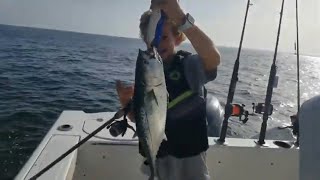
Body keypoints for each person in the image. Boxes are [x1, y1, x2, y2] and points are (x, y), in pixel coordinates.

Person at [116, 0, 220, 179]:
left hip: (191, 160)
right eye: (151, 39)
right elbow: (141, 116)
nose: (157, 43)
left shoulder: (189, 66)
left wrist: (180, 17)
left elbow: (213, 58)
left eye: (164, 37)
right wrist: (126, 102)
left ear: (178, 38)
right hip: (157, 156)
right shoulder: (146, 71)